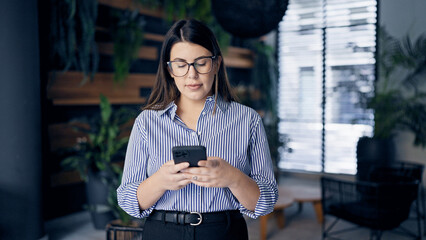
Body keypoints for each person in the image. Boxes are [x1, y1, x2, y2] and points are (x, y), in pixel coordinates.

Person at [117, 19, 278, 240]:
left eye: (201, 63)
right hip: (163, 232)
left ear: (216, 64)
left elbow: (266, 202)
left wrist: (233, 178)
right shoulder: (147, 122)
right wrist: (160, 181)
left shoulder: (248, 120)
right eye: (181, 64)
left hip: (225, 232)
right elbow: (128, 201)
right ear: (170, 70)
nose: (191, 75)